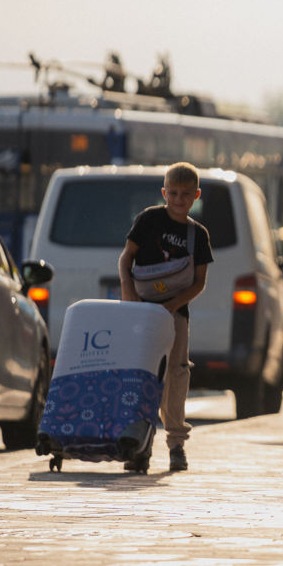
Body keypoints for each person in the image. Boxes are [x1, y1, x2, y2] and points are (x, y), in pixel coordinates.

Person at [117, 162, 213, 472]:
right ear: (164, 192)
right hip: (140, 311)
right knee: (140, 376)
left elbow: (198, 283)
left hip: (175, 314)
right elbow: (126, 259)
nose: (178, 200)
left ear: (196, 196)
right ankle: (138, 446)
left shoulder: (197, 235)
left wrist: (172, 306)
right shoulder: (148, 220)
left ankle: (176, 445)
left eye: (186, 195)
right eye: (173, 194)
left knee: (175, 376)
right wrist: (129, 294)